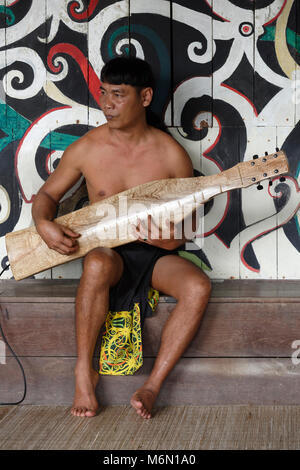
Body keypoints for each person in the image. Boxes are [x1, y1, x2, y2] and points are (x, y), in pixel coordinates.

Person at [32, 56, 211, 419]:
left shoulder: (171, 154)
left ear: (145, 97)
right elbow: (47, 197)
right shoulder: (87, 148)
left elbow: (186, 229)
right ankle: (84, 370)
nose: (107, 103)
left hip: (155, 256)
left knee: (199, 287)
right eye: (103, 93)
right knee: (96, 262)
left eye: (118, 94)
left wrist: (167, 242)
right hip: (107, 254)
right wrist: (43, 223)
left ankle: (152, 386)